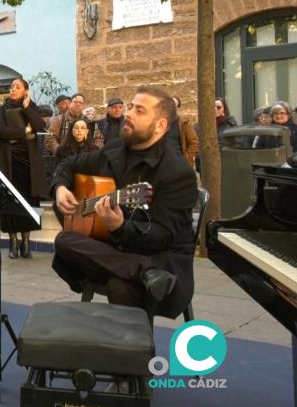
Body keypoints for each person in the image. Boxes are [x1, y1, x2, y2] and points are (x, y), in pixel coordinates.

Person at [51, 86, 198, 318]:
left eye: (139, 110)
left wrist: (120, 226)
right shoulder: (114, 149)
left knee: (120, 285)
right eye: (130, 107)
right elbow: (68, 165)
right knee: (63, 240)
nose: (128, 113)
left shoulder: (177, 173)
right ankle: (142, 270)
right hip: (118, 251)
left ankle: (134, 352)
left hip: (161, 260)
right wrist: (60, 187)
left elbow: (163, 237)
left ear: (160, 125)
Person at [0, 78, 47, 259]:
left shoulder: (31, 107)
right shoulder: (3, 109)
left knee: (29, 202)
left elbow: (39, 126)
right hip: (9, 161)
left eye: (18, 87)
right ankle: (13, 243)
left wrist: (28, 107)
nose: (13, 89)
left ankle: (26, 243)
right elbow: (1, 132)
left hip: (29, 163)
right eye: (12, 87)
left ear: (25, 91)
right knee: (10, 202)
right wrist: (24, 132)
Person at [167, 96, 199, 166]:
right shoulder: (159, 123)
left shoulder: (184, 123)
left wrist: (184, 159)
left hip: (178, 164)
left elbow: (194, 143)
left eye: (174, 104)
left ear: (177, 107)